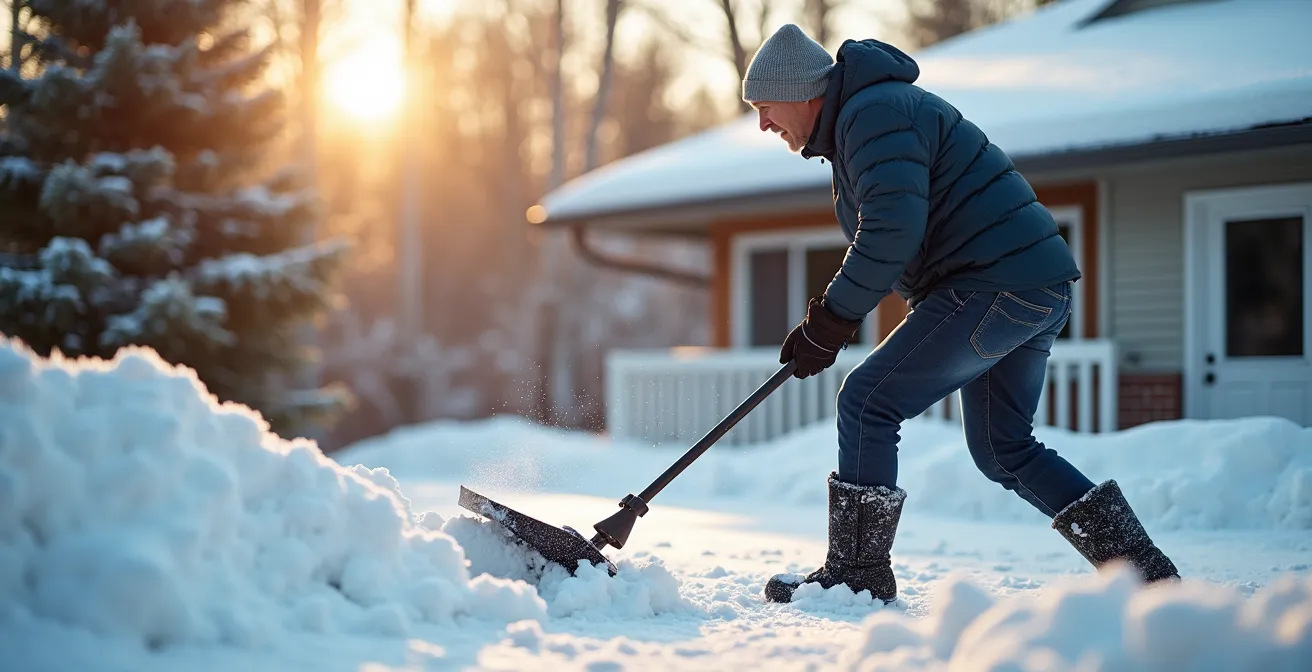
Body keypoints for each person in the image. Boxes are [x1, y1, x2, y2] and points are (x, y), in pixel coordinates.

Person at [741, 24, 1180, 604]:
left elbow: (892, 230)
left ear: (800, 91)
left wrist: (831, 319)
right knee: (1004, 447)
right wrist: (833, 320)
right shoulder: (870, 114)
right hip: (1027, 285)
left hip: (995, 283)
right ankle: (1144, 573)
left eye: (766, 107)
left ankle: (857, 574)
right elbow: (909, 236)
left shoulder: (871, 114)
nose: (764, 123)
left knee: (868, 400)